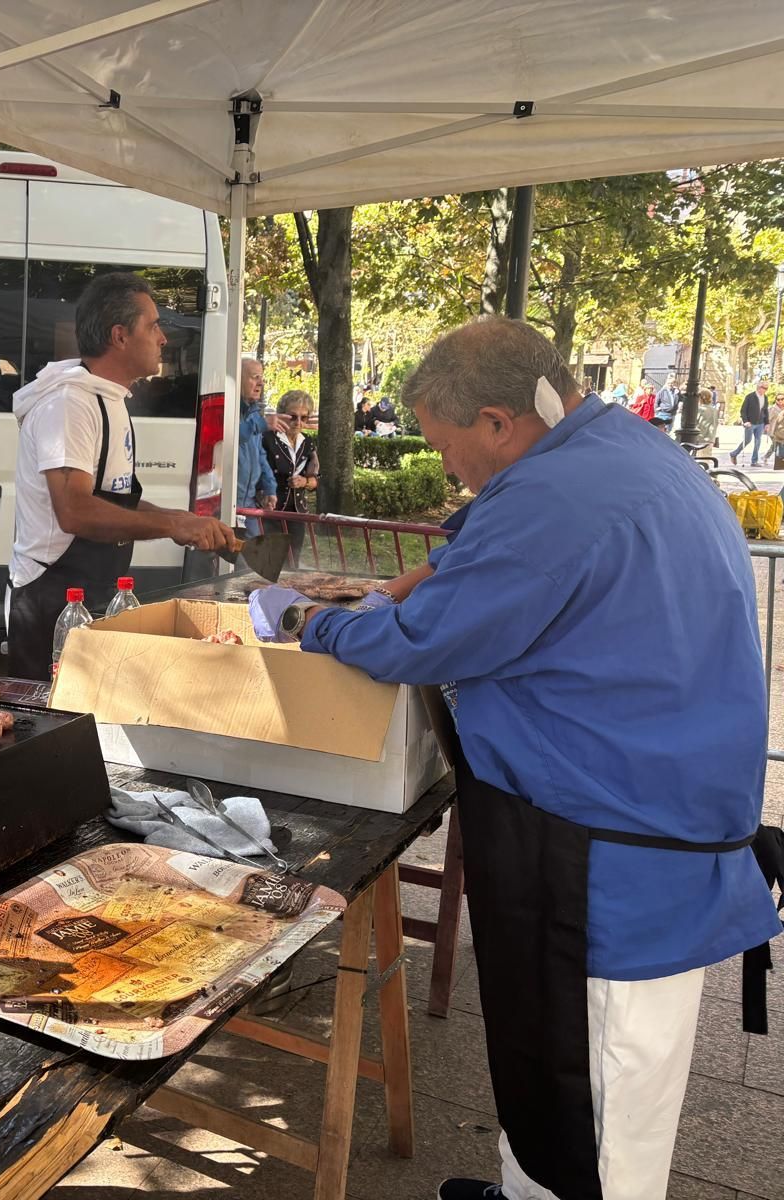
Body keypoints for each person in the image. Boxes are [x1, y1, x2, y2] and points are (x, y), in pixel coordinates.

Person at [255, 317, 779, 1200]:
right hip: (630, 828)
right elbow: (477, 554)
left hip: (606, 866)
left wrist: (314, 620)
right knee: (550, 1071)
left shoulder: (557, 500)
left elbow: (426, 639)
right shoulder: (618, 450)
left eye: (447, 446)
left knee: (596, 1110)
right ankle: (524, 1186)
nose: (449, 467)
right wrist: (386, 588)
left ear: (499, 422)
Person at [6, 271, 235, 679]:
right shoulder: (70, 405)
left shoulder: (109, 400)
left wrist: (183, 519)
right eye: (153, 325)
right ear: (120, 336)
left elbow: (113, 498)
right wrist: (168, 525)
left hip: (91, 592)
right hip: (51, 601)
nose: (164, 338)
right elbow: (75, 511)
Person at [235, 355, 290, 512]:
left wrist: (270, 488)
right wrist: (261, 424)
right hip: (227, 503)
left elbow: (260, 455)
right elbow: (231, 437)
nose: (261, 383)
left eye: (262, 378)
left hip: (249, 503)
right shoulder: (226, 408)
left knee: (256, 537)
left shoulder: (254, 414)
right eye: (255, 377)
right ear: (238, 378)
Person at [262, 389, 319, 513]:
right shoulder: (267, 438)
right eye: (293, 417)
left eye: (303, 418)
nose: (298, 422)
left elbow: (316, 478)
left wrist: (305, 482)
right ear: (281, 415)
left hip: (298, 513)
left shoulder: (307, 441)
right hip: (270, 511)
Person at [732, 380, 769, 467]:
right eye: (764, 388)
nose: (766, 390)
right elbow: (743, 410)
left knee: (758, 441)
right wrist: (745, 421)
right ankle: (734, 454)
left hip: (760, 423)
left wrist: (767, 423)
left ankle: (754, 461)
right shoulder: (750, 397)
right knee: (747, 440)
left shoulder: (765, 397)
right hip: (750, 423)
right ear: (759, 387)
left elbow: (765, 411)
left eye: (767, 388)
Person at [766, 390, 784, 469]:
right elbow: (767, 419)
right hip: (774, 430)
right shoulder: (773, 409)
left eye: (782, 399)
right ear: (776, 400)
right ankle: (777, 464)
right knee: (777, 446)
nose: (780, 401)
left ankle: (767, 457)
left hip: (782, 431)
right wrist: (767, 426)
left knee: (777, 446)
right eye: (778, 399)